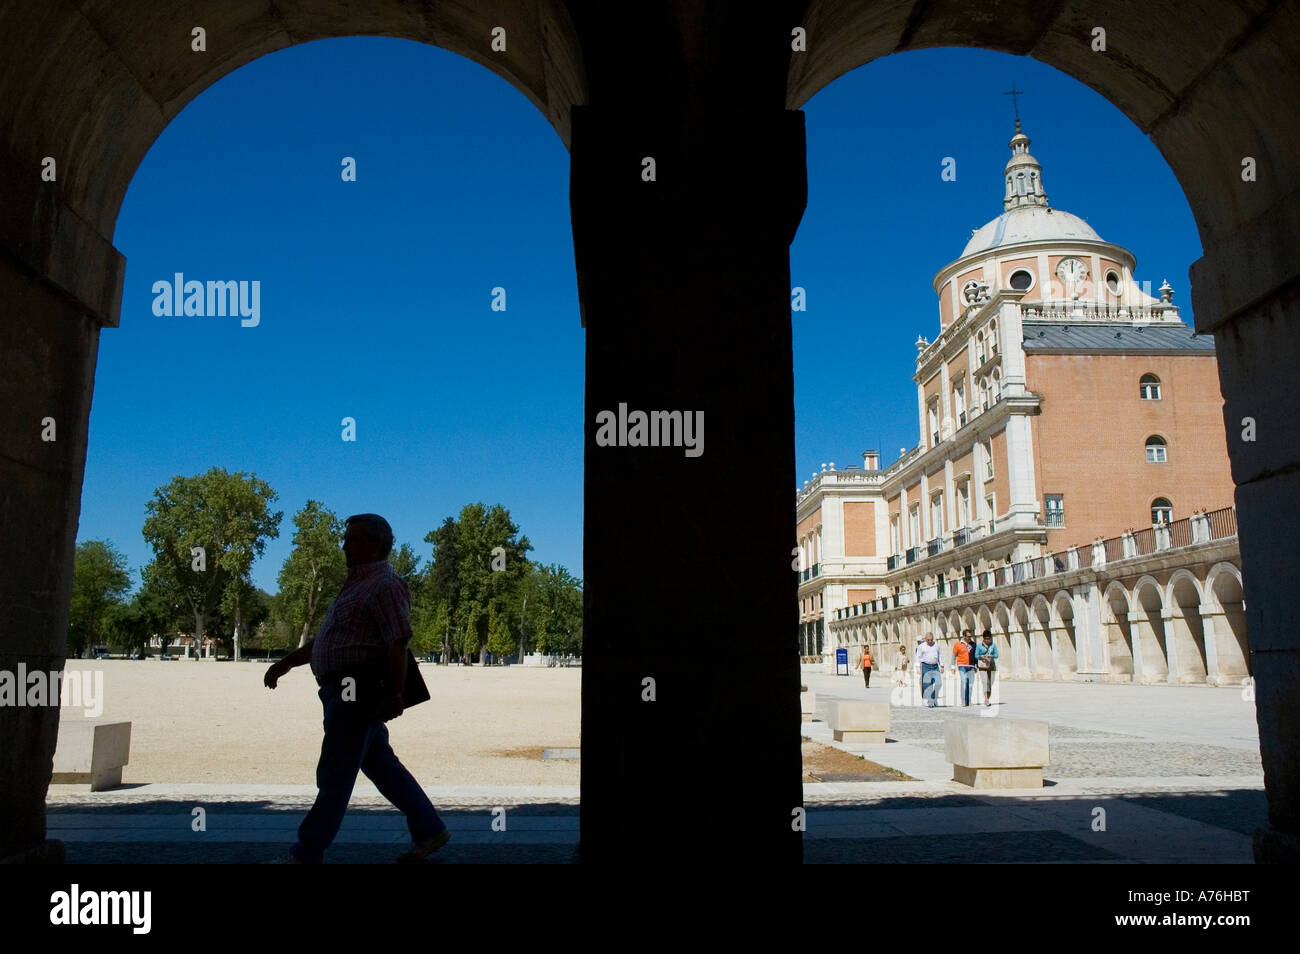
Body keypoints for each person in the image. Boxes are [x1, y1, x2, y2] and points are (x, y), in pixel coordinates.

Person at [263, 513, 449, 864]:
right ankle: (429, 828)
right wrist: (287, 661)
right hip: (342, 690)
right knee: (381, 766)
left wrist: (395, 692)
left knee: (335, 773)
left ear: (377, 543)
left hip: (354, 690)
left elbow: (398, 641)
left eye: (353, 538)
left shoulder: (385, 585)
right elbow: (331, 641)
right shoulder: (356, 586)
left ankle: (306, 854)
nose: (344, 544)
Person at [915, 632, 943, 707]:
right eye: (928, 640)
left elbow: (940, 655)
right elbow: (918, 657)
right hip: (925, 666)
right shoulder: (921, 646)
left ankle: (933, 697)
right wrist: (918, 667)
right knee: (928, 685)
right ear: (925, 639)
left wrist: (942, 665)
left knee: (939, 683)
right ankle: (930, 702)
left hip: (935, 666)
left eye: (931, 640)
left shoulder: (936, 645)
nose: (930, 641)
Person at [975, 631, 999, 705]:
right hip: (982, 666)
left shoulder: (993, 645)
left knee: (990, 683)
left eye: (989, 639)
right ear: (984, 638)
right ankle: (986, 699)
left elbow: (996, 655)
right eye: (986, 639)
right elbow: (976, 655)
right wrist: (981, 656)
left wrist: (992, 656)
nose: (988, 640)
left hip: (991, 665)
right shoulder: (979, 646)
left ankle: (988, 697)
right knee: (985, 682)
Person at [953, 629, 976, 706]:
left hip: (971, 666)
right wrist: (953, 666)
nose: (970, 638)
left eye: (970, 636)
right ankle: (963, 701)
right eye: (968, 636)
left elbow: (975, 656)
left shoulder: (973, 644)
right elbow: (954, 656)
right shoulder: (958, 644)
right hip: (962, 665)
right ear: (964, 636)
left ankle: (968, 700)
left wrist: (976, 666)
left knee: (970, 684)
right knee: (964, 682)